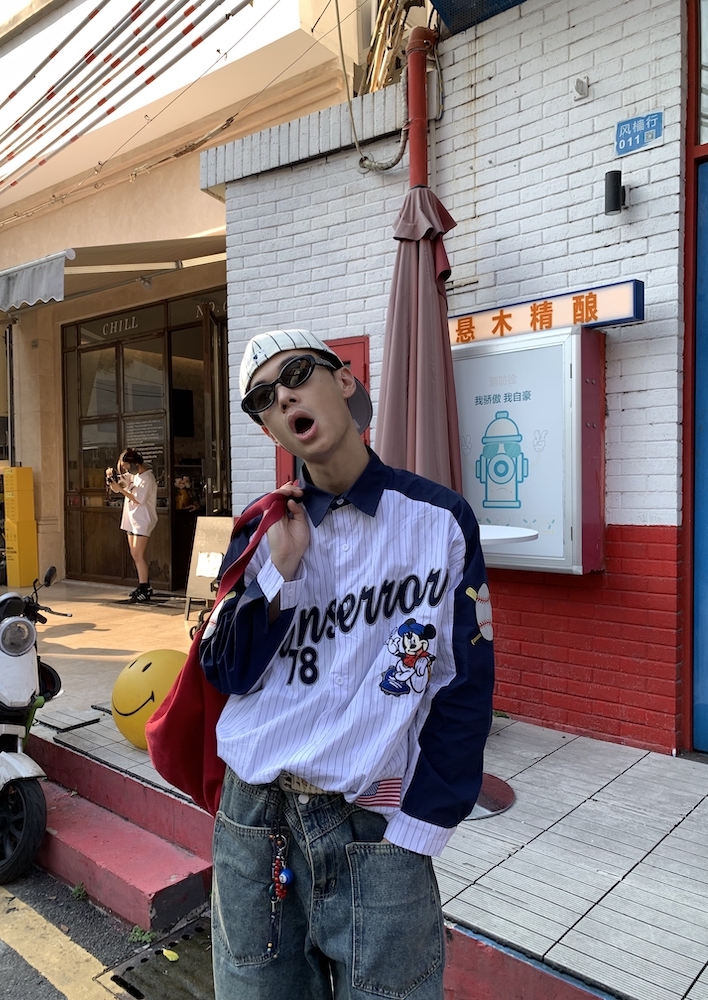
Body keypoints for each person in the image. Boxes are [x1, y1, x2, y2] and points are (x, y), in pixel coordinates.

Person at [200, 329, 495, 1000]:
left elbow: (462, 684)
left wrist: (420, 828)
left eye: (297, 374)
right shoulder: (262, 529)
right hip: (254, 823)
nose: (283, 398)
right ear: (269, 428)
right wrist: (278, 572)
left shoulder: (439, 520)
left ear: (343, 380)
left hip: (375, 826)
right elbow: (226, 670)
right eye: (263, 399)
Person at [106, 448, 158, 603]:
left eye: (128, 466)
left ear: (135, 463)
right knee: (134, 554)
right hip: (131, 519)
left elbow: (138, 499)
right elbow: (118, 486)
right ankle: (143, 584)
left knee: (138, 555)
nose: (127, 470)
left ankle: (144, 588)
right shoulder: (134, 476)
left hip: (142, 520)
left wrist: (121, 489)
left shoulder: (147, 478)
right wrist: (111, 479)